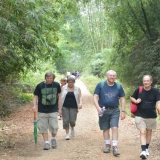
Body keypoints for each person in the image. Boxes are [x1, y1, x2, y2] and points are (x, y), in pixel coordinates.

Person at [93, 70, 126, 156]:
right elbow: (95, 97)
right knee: (105, 128)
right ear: (107, 76)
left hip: (115, 110)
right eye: (110, 75)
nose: (112, 77)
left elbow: (122, 98)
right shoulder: (100, 85)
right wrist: (98, 108)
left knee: (114, 127)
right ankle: (107, 145)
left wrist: (123, 111)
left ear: (116, 77)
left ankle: (115, 146)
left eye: (114, 76)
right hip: (103, 110)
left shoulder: (118, 86)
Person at [130, 75, 160, 159]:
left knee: (149, 132)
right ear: (143, 82)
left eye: (147, 81)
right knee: (142, 132)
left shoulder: (155, 91)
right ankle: (143, 151)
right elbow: (131, 97)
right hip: (140, 115)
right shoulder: (139, 90)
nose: (146, 82)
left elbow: (158, 100)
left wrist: (159, 106)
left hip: (151, 115)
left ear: (151, 81)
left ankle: (146, 149)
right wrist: (135, 101)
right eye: (144, 81)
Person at [32, 72, 61, 150]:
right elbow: (35, 97)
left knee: (54, 126)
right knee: (42, 126)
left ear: (53, 78)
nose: (49, 80)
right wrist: (34, 105)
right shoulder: (40, 86)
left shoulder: (57, 85)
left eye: (51, 78)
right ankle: (46, 143)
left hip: (53, 109)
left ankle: (53, 139)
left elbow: (59, 96)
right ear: (45, 78)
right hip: (42, 110)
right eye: (48, 78)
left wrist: (60, 108)